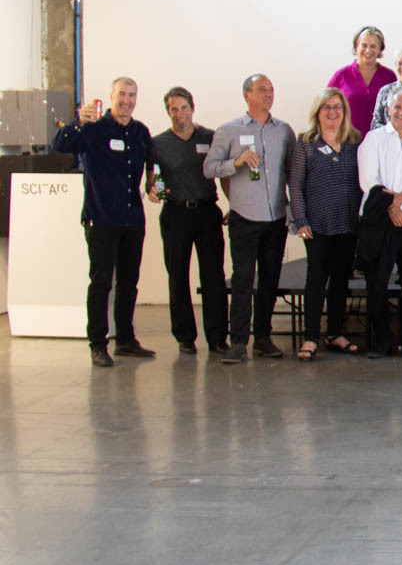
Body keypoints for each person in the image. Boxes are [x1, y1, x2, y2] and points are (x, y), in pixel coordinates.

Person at [53, 77, 156, 367]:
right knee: (101, 283)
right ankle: (98, 344)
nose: (127, 100)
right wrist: (78, 121)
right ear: (111, 96)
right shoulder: (94, 129)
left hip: (133, 219)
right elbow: (59, 145)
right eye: (122, 94)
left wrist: (152, 185)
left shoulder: (140, 132)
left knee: (129, 282)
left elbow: (152, 166)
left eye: (132, 95)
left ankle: (125, 339)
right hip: (101, 218)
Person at [204, 73, 296, 364]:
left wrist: (294, 211)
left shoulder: (283, 131)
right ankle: (238, 341)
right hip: (244, 217)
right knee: (243, 279)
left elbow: (293, 172)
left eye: (271, 89)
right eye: (261, 90)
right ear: (247, 95)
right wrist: (237, 162)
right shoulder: (228, 130)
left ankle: (263, 338)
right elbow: (209, 168)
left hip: (275, 217)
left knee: (270, 278)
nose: (268, 95)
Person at [147, 85, 227, 356]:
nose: (180, 114)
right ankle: (184, 336)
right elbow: (153, 178)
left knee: (214, 276)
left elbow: (223, 172)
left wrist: (233, 204)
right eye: (174, 109)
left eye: (184, 108)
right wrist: (154, 191)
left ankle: (217, 337)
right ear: (168, 112)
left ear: (192, 108)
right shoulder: (158, 144)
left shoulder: (210, 137)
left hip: (206, 212)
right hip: (176, 214)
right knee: (177, 276)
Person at [355, 87, 402, 358]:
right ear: (388, 108)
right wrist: (390, 205)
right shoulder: (373, 139)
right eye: (397, 107)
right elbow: (368, 180)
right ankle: (381, 343)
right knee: (377, 283)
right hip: (378, 221)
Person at [289, 88, 363, 360]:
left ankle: (335, 332)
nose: (332, 112)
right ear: (317, 112)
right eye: (326, 107)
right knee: (317, 280)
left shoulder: (355, 141)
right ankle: (310, 337)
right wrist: (300, 219)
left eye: (337, 107)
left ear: (344, 111)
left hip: (347, 222)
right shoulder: (305, 143)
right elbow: (295, 186)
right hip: (317, 224)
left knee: (341, 280)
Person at [327, 25, 397, 137]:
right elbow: (325, 108)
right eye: (364, 45)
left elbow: (396, 111)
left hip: (379, 142)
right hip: (346, 141)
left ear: (380, 49)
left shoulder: (389, 77)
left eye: (373, 46)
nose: (368, 50)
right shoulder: (341, 75)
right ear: (356, 47)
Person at [371, 44, 402, 130]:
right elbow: (375, 124)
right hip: (387, 141)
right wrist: (395, 132)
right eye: (400, 63)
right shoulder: (385, 91)